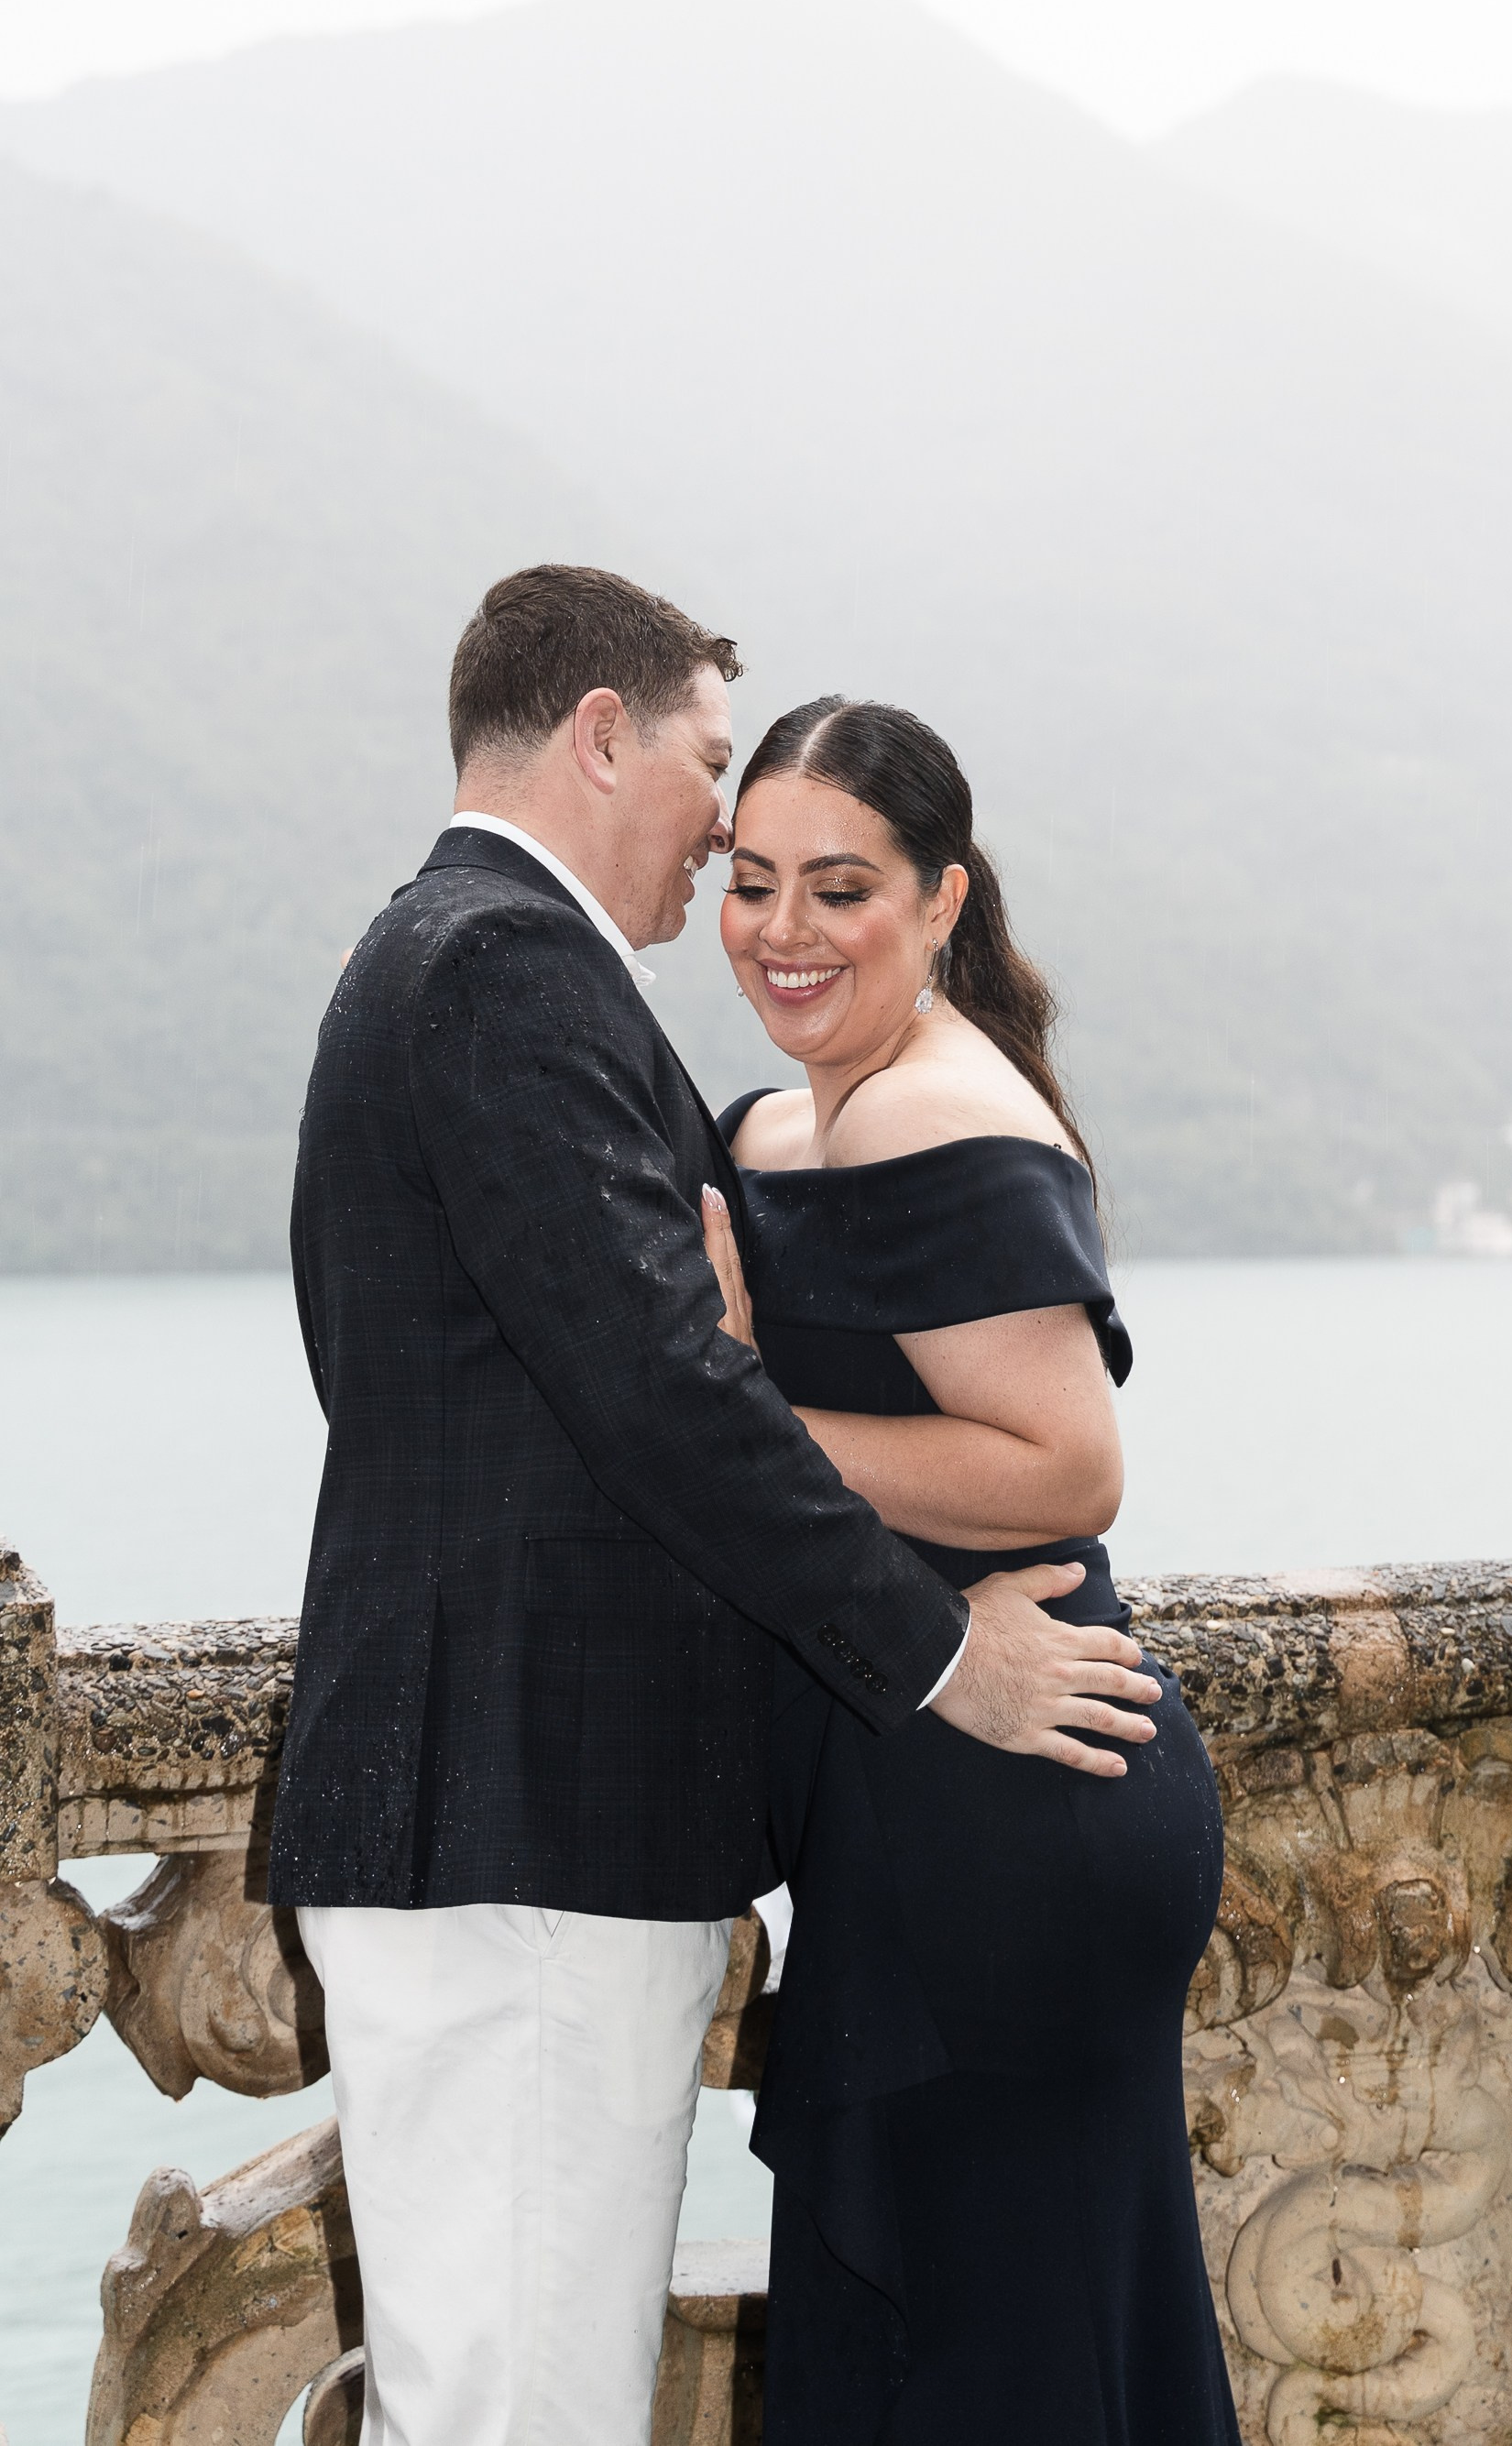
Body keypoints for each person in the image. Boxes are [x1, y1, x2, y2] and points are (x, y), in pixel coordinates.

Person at [271, 566, 1161, 2446]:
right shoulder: (503, 967)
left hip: (514, 1818)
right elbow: (666, 1395)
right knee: (525, 2409)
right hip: (521, 1823)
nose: (716, 835)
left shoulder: (446, 954)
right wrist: (948, 1657)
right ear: (603, 735)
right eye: (704, 765)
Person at [705, 693, 1241, 2445]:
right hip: (931, 1801)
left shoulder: (931, 1112)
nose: (785, 930)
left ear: (940, 899)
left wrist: (738, 1415)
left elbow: (1067, 1465)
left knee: (1000, 2371)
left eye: (841, 887)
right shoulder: (783, 1124)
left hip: (1017, 1803)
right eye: (752, 881)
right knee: (978, 2360)